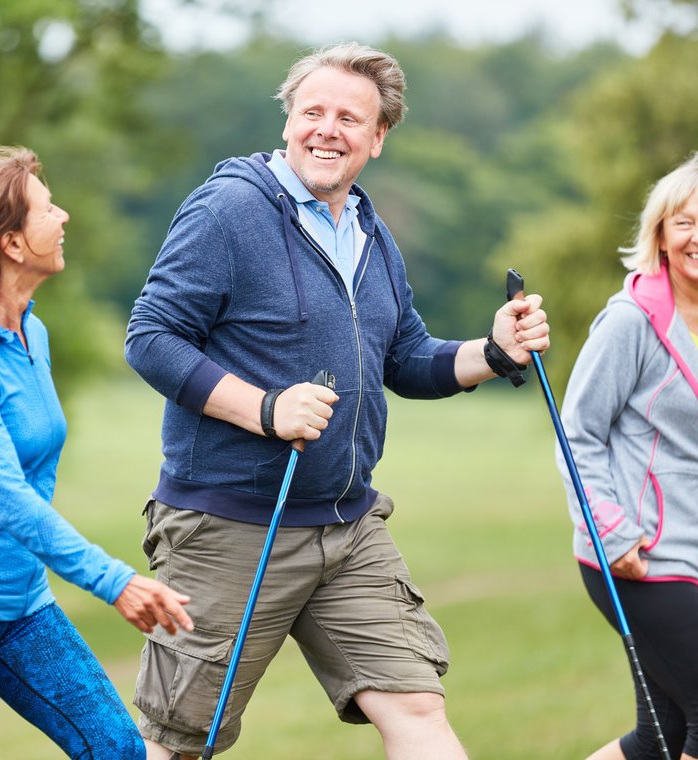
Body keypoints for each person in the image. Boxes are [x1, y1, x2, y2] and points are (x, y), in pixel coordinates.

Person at [125, 42, 550, 759]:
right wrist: (265, 409)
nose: (327, 129)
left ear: (378, 138)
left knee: (417, 706)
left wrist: (496, 350)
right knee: (177, 740)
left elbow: (406, 359)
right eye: (312, 111)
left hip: (348, 529)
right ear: (287, 118)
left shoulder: (370, 234)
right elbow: (152, 337)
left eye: (350, 118)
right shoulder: (228, 209)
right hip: (230, 525)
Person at [0, 146, 195, 760]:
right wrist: (116, 580)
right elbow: (8, 500)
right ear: (12, 245)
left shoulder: (30, 330)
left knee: (118, 751)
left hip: (22, 606)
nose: (64, 216)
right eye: (47, 210)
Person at [558, 151, 698, 760]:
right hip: (637, 554)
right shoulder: (631, 320)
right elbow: (577, 435)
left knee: (664, 735)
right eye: (683, 223)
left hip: (697, 554)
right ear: (659, 236)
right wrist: (612, 531)